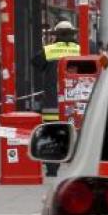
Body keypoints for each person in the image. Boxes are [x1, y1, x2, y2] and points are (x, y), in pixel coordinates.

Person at [32, 21, 81, 175]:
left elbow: (35, 63)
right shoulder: (82, 49)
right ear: (73, 33)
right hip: (75, 101)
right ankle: (77, 166)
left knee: (52, 133)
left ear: (56, 35)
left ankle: (52, 169)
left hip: (53, 101)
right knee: (77, 131)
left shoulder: (49, 50)